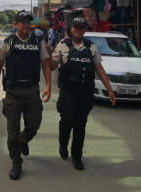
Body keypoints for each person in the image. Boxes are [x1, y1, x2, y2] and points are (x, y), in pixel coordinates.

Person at [46, 17, 116, 170]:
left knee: (80, 124)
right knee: (67, 121)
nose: (78, 30)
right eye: (75, 27)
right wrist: (49, 53)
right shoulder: (63, 46)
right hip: (68, 90)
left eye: (81, 27)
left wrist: (110, 90)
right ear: (71, 29)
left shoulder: (91, 48)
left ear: (84, 30)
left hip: (85, 91)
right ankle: (63, 145)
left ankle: (77, 156)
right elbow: (52, 66)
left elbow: (99, 69)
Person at [0, 10, 52, 180]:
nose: (26, 24)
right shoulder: (8, 42)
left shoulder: (38, 42)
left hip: (32, 91)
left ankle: (23, 141)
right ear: (15, 25)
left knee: (33, 126)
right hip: (13, 92)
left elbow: (46, 65)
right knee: (12, 131)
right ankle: (16, 163)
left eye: (28, 22)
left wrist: (48, 86)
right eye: (22, 21)